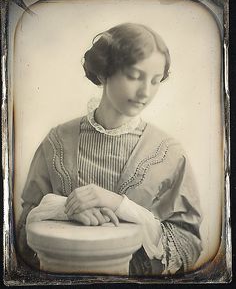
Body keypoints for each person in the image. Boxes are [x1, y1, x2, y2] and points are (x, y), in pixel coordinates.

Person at [16, 23, 202, 275]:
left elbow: (188, 244)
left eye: (155, 81)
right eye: (134, 76)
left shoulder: (168, 153)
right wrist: (67, 209)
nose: (145, 92)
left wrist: (118, 204)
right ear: (104, 72)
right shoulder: (57, 141)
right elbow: (22, 230)